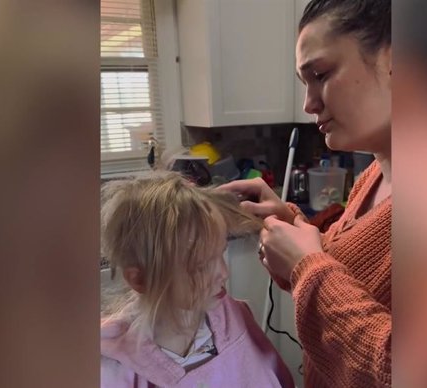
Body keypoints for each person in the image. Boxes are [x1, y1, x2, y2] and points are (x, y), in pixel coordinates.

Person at [220, 0, 391, 387]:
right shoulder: (373, 176)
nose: (308, 104)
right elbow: (356, 275)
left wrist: (307, 266)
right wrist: (291, 224)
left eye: (321, 74)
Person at [99, 172, 295, 388]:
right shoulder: (114, 370)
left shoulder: (233, 317)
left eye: (221, 253)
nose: (223, 273)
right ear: (140, 280)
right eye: (200, 266)